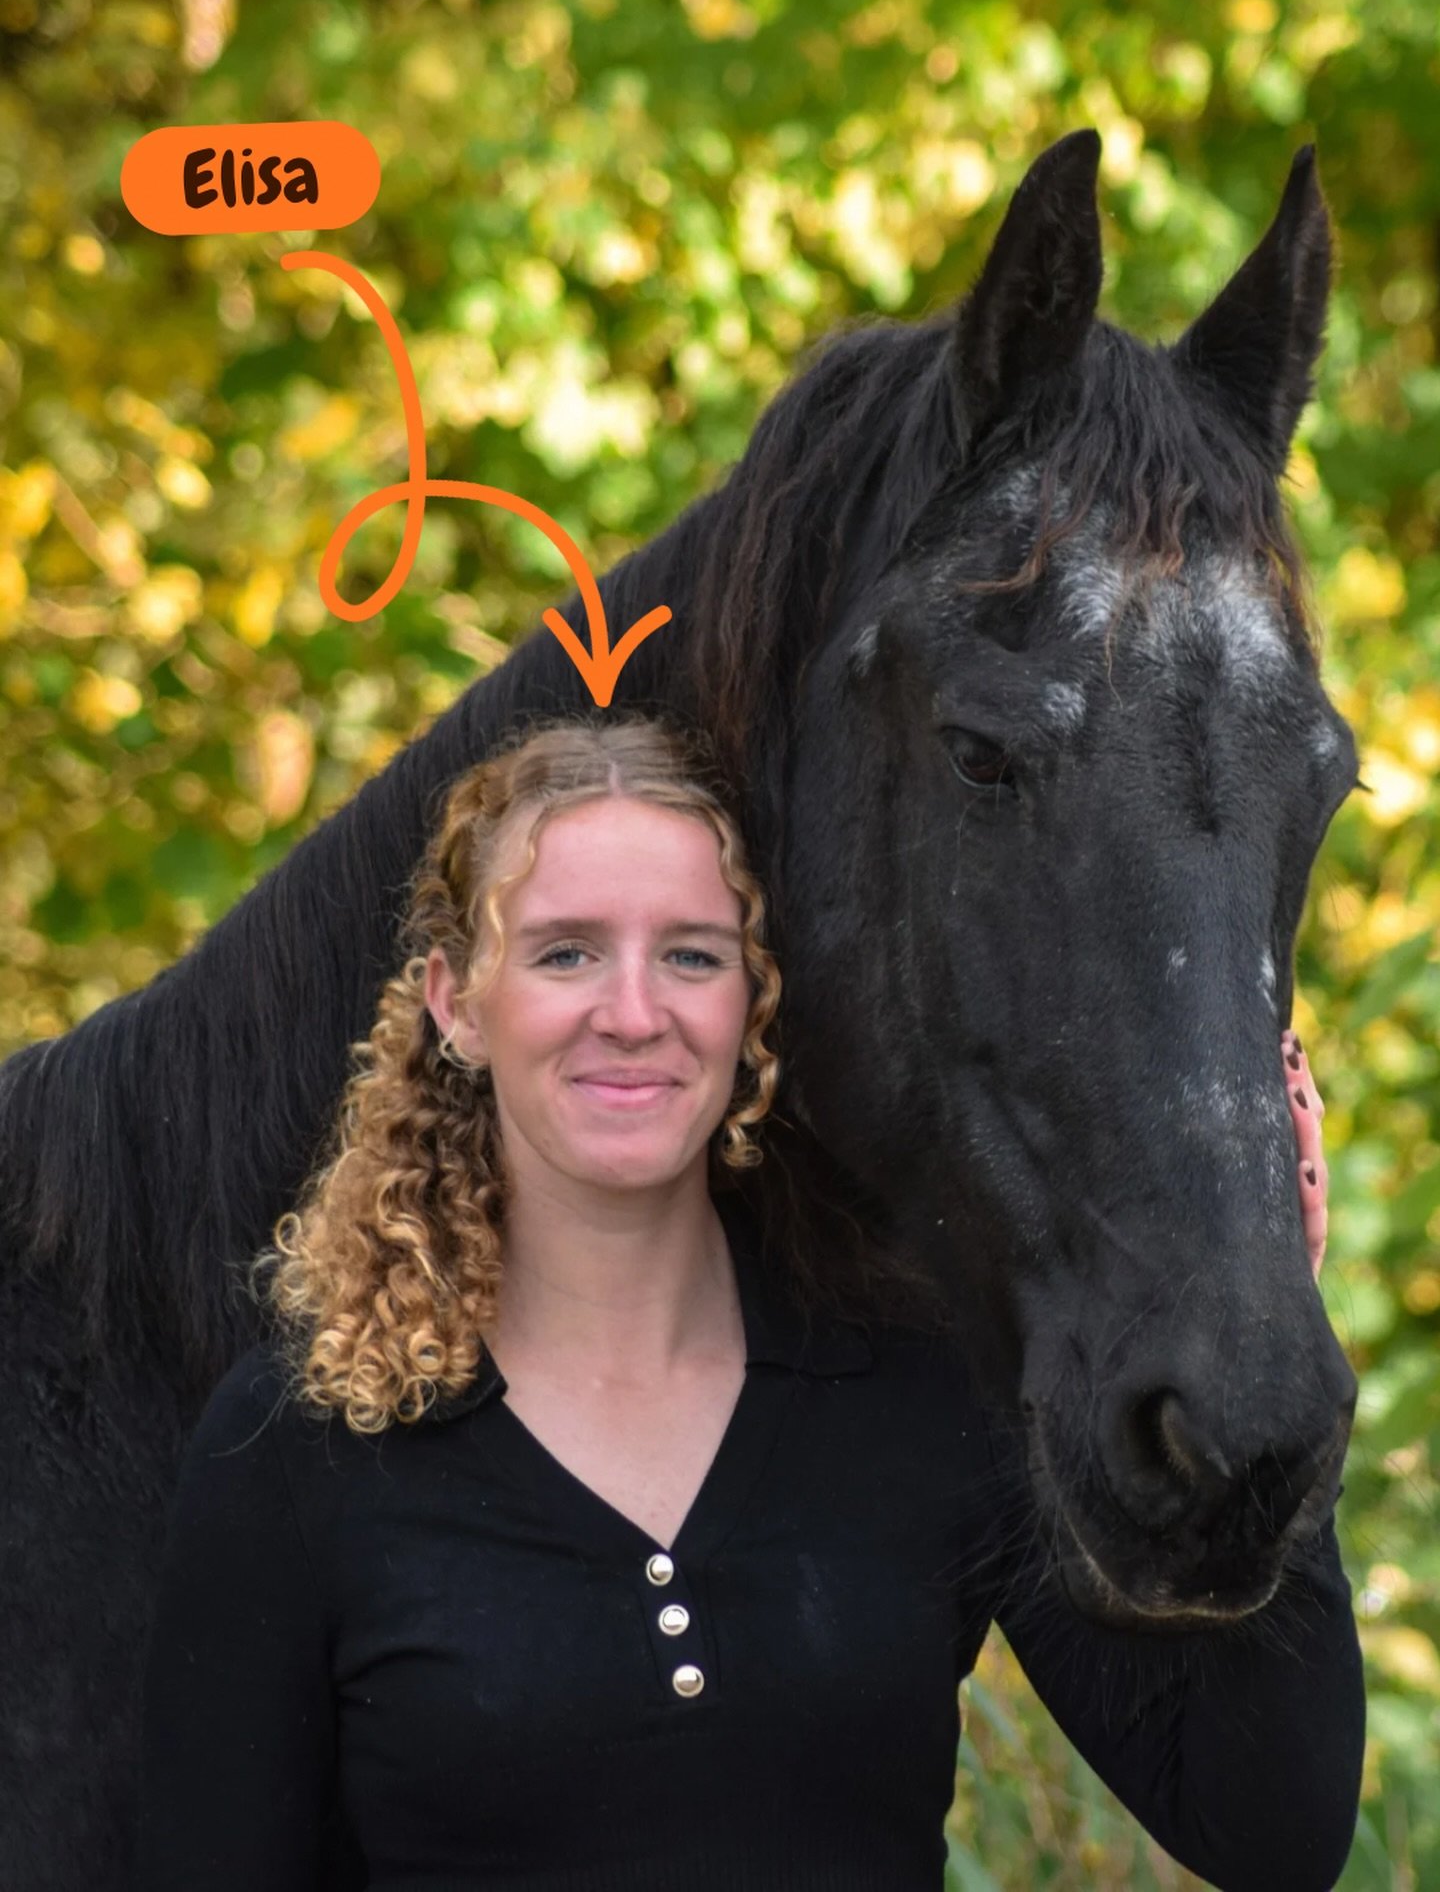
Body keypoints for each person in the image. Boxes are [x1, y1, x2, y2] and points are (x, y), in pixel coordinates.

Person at [135, 714, 1357, 1892]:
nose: (633, 1011)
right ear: (458, 1002)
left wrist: (1267, 1341)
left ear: (751, 1004)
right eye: (565, 951)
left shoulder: (922, 1394)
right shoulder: (301, 1447)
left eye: (693, 955)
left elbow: (1271, 1829)